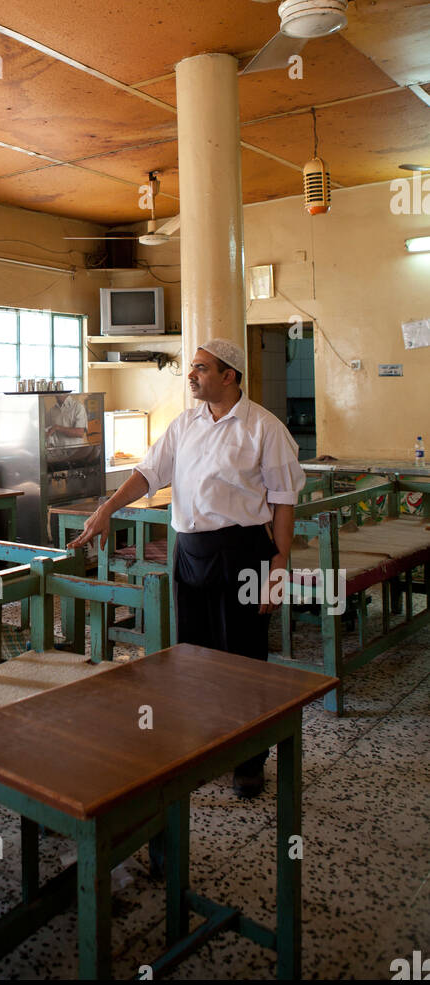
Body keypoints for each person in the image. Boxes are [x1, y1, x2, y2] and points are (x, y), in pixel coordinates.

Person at [69, 338, 304, 799]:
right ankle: (205, 743)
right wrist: (107, 509)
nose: (191, 375)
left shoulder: (264, 428)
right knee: (194, 654)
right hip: (191, 551)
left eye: (200, 368)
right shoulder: (186, 424)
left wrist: (277, 569)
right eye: (191, 368)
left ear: (229, 375)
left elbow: (283, 501)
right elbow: (148, 473)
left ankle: (248, 760)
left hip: (242, 552)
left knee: (242, 657)